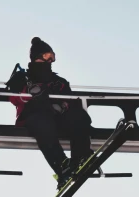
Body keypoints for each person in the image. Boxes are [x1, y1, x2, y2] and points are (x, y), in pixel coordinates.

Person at [6, 37, 92, 188]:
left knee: (79, 115)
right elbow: (13, 97)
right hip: (33, 117)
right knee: (42, 122)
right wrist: (29, 94)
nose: (50, 61)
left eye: (52, 58)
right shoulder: (23, 78)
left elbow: (70, 99)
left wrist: (63, 106)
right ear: (36, 57)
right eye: (46, 57)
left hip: (58, 117)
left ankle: (80, 157)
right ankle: (61, 165)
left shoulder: (59, 81)